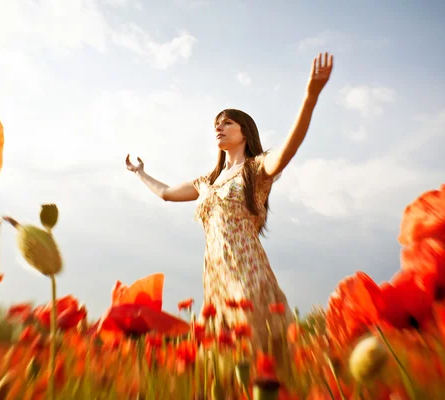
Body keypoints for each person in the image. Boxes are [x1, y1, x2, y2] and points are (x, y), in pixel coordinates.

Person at [125, 52, 334, 355]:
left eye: (227, 123)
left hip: (247, 271)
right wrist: (140, 173)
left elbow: (288, 150)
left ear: (244, 132)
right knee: (225, 357)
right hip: (215, 277)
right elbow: (167, 193)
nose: (219, 128)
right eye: (217, 125)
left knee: (256, 350)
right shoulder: (207, 181)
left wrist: (310, 98)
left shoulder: (256, 169)